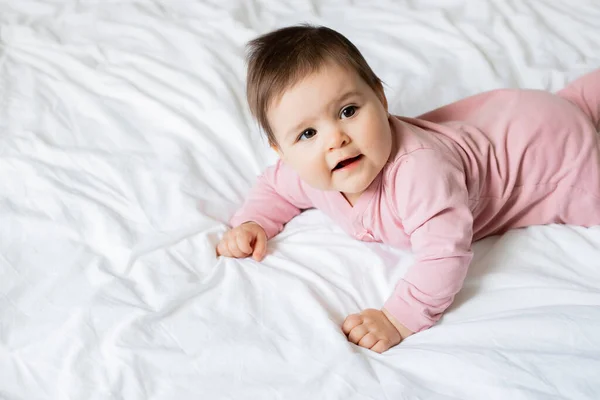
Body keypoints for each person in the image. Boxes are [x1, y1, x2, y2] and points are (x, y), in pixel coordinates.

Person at [216, 24, 600, 353]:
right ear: (282, 151)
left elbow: (444, 255)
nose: (335, 139)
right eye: (308, 133)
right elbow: (274, 189)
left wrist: (397, 319)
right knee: (578, 104)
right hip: (520, 114)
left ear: (380, 98)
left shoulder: (418, 171)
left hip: (551, 159)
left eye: (348, 111)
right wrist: (253, 222)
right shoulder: (305, 174)